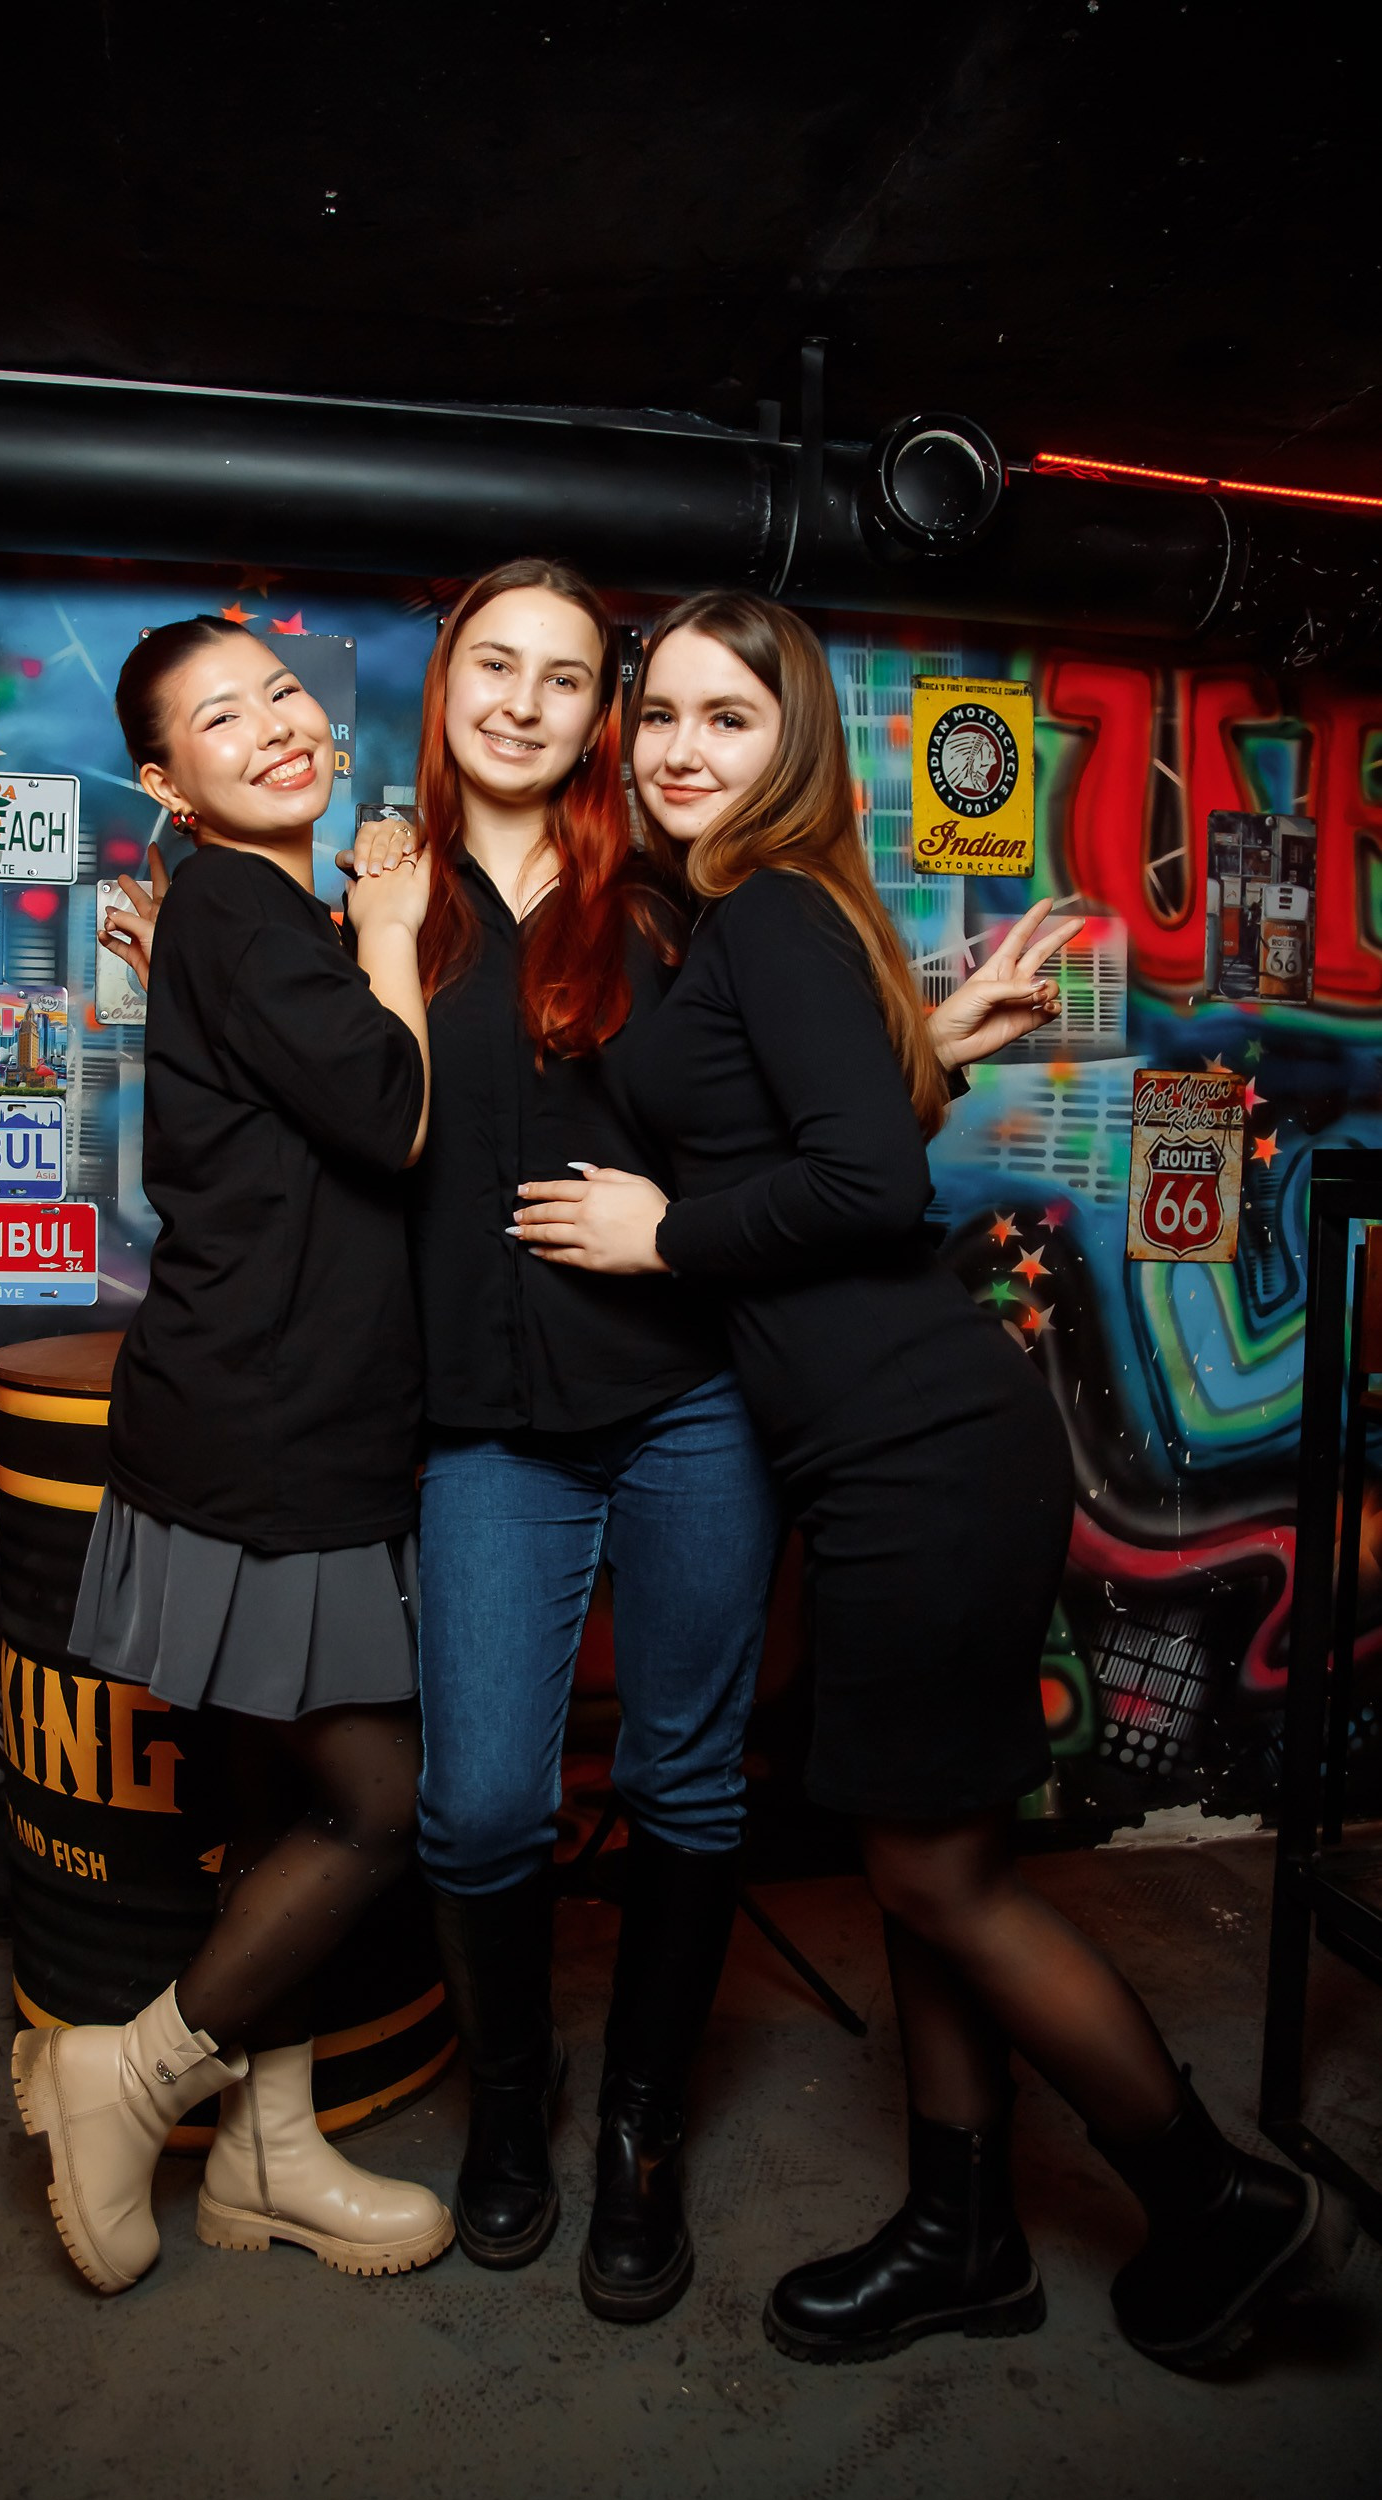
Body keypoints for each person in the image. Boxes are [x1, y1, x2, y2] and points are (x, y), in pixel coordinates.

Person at [111, 566, 1073, 2325]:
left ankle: (639, 2125)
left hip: (694, 1403)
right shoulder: (370, 899)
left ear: (597, 716)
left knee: (687, 1783)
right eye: (495, 664)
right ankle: (514, 2102)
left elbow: (792, 1135)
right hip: (483, 1426)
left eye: (566, 678)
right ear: (447, 686)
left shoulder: (676, 894)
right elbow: (277, 1110)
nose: (525, 702)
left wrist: (924, 1050)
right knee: (480, 1807)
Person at [511, 590, 1355, 2372]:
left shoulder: (770, 909)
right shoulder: (752, 911)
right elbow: (829, 1137)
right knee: (929, 1856)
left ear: (795, 743)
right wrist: (941, 1044)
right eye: (660, 715)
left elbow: (866, 1197)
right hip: (887, 1451)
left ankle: (1214, 2201)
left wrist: (666, 1236)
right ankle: (962, 2231)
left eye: (729, 718)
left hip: (920, 1456)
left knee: (942, 1876)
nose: (680, 749)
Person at [11, 616, 454, 2298]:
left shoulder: (250, 912)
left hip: (273, 1406)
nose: (272, 724)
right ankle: (128, 2077)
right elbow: (396, 1116)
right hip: (271, 1425)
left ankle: (269, 2157)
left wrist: (351, 924)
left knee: (275, 1795)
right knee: (380, 1806)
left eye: (281, 693)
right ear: (166, 780)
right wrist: (393, 928)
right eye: (219, 718)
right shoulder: (247, 910)